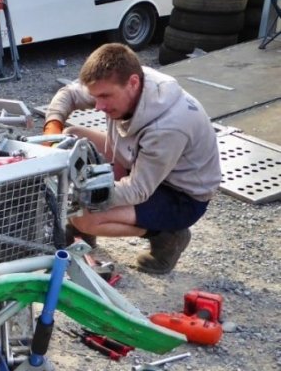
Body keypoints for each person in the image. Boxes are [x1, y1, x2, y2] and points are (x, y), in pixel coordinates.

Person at [43, 42, 220, 274]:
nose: (98, 106)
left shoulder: (168, 126)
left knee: (84, 217)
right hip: (143, 163)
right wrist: (52, 127)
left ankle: (168, 235)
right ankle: (82, 231)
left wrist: (75, 194)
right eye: (96, 97)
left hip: (181, 195)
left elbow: (137, 190)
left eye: (105, 97)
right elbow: (69, 93)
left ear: (133, 83)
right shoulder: (122, 79)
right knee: (71, 138)